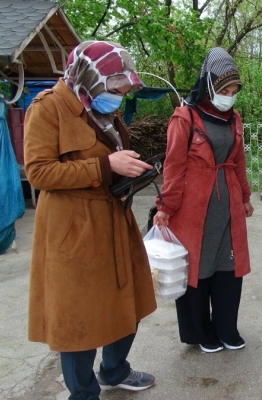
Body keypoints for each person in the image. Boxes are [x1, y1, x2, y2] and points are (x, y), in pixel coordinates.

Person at [24, 40, 157, 399]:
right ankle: (83, 392)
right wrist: (105, 166)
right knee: (78, 319)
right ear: (89, 76)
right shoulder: (47, 108)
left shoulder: (99, 108)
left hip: (114, 217)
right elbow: (39, 173)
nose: (120, 96)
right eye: (117, 89)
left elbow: (111, 156)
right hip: (73, 227)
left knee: (129, 300)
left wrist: (131, 169)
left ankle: (115, 370)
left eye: (125, 90)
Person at [153, 47, 253, 353]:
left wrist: (246, 197)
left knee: (227, 268)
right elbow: (173, 166)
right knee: (198, 269)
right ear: (208, 85)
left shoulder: (233, 117)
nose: (230, 95)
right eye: (224, 89)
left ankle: (226, 328)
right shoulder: (185, 117)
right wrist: (166, 207)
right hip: (194, 210)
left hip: (228, 208)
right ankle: (201, 332)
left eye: (234, 90)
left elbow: (238, 161)